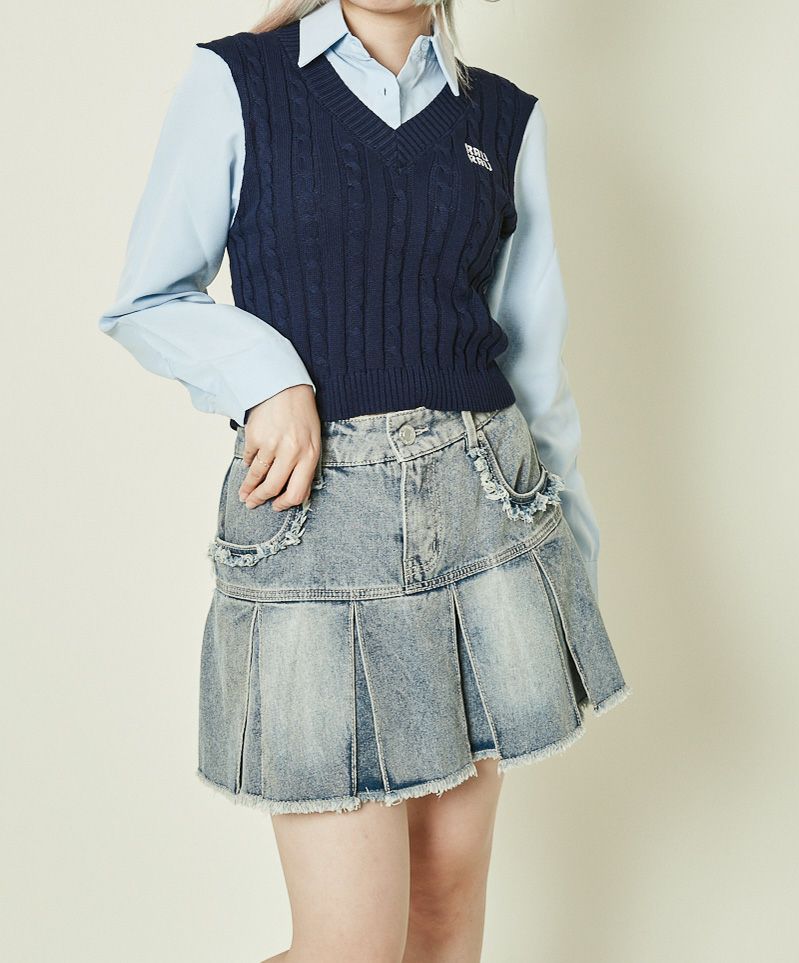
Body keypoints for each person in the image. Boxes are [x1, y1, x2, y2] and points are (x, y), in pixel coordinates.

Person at [98, 1, 631, 960]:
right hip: (316, 534)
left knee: (444, 916)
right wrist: (269, 379)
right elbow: (148, 297)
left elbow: (537, 366)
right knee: (351, 946)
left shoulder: (504, 118)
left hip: (489, 530)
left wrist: (570, 580)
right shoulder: (239, 83)